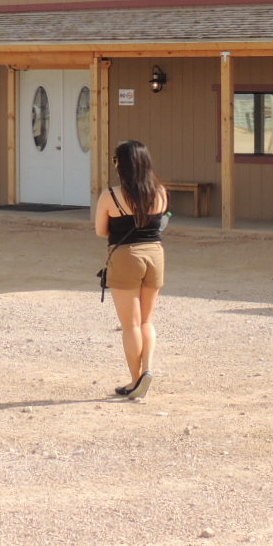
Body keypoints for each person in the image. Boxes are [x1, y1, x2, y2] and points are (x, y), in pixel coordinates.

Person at [94, 139, 170, 401]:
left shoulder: (111, 195)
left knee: (130, 325)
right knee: (147, 321)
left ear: (121, 165)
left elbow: (101, 231)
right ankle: (147, 369)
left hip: (126, 255)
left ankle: (136, 379)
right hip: (155, 254)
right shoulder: (160, 192)